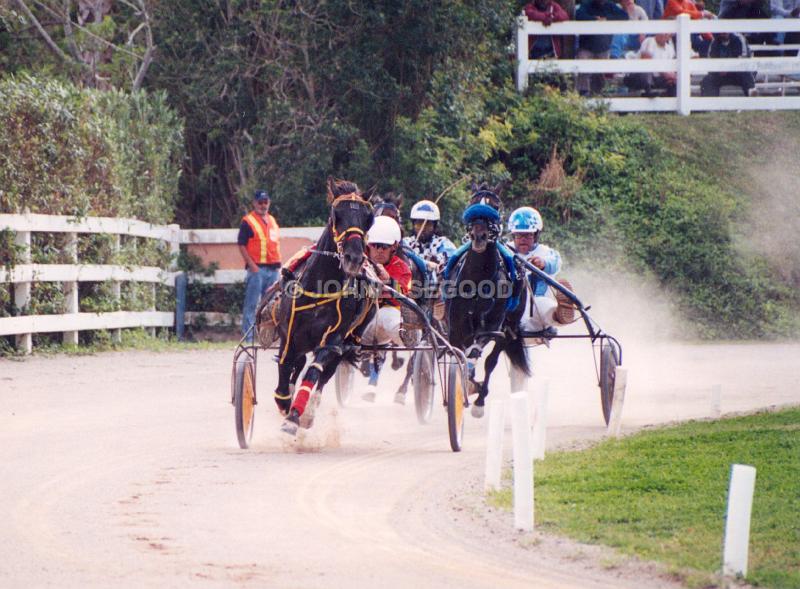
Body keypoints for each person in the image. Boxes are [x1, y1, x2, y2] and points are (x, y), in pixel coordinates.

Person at [361, 216, 413, 402]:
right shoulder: (359, 262)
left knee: (388, 317)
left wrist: (388, 281)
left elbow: (404, 292)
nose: (379, 251)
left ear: (394, 247)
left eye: (385, 246)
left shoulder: (401, 267)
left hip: (389, 313)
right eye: (375, 245)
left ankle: (407, 335)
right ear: (368, 245)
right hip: (362, 316)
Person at [506, 206, 575, 333]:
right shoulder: (505, 250)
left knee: (543, 306)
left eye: (528, 235)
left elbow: (556, 263)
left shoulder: (545, 252)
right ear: (513, 235)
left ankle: (560, 315)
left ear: (536, 235)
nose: (522, 239)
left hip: (536, 306)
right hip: (510, 305)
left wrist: (543, 264)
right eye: (518, 235)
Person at [238, 189, 281, 341]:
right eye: (260, 202)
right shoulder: (248, 221)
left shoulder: (272, 221)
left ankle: (267, 339)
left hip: (273, 270)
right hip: (257, 270)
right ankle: (248, 339)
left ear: (269, 203)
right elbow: (241, 244)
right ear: (254, 203)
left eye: (265, 202)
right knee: (251, 306)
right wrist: (252, 265)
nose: (263, 205)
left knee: (271, 308)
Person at [575, 0, 629, 95]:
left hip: (603, 46)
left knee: (600, 73)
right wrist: (594, 20)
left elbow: (624, 16)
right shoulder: (586, 4)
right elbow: (579, 15)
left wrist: (606, 19)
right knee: (583, 71)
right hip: (587, 46)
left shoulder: (610, 5)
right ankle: (582, 95)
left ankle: (599, 96)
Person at [403, 200, 458, 275]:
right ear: (413, 224)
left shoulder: (444, 243)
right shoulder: (405, 243)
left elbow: (452, 261)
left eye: (428, 224)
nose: (423, 228)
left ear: (434, 226)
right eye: (419, 223)